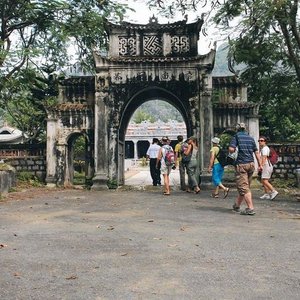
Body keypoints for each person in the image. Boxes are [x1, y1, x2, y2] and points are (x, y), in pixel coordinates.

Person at [229, 123, 262, 215]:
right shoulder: (250, 138)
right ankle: (237, 206)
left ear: (237, 129)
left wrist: (233, 150)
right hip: (251, 164)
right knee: (245, 187)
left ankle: (250, 208)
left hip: (241, 164)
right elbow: (256, 152)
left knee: (244, 188)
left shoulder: (236, 136)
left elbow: (231, 149)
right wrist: (260, 165)